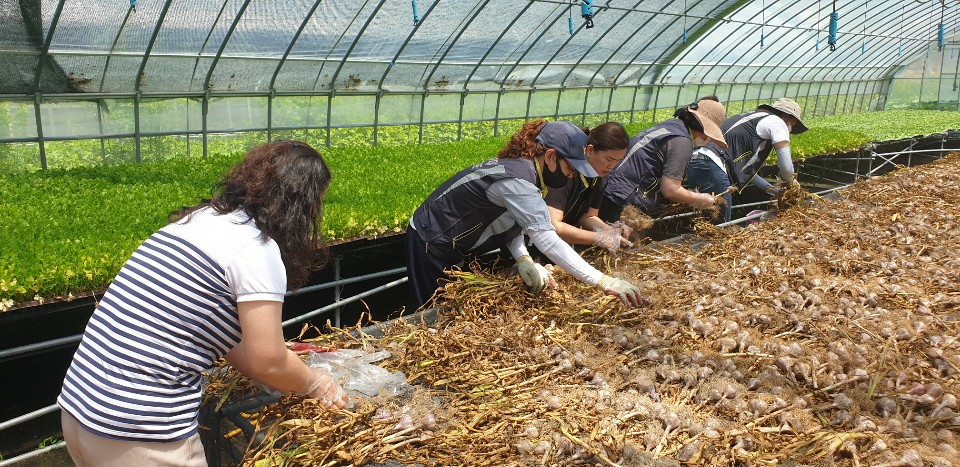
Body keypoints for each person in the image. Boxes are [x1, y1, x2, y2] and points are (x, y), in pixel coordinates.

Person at [58, 141, 348, 466]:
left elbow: (232, 345)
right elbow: (269, 359)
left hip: (80, 408)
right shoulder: (255, 250)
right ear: (303, 204)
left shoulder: (199, 221)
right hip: (140, 429)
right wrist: (317, 383)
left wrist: (285, 370)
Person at [406, 119, 644, 311]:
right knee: (434, 310)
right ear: (551, 156)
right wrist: (603, 281)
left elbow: (514, 222)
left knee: (451, 303)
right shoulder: (518, 181)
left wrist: (522, 258)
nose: (571, 176)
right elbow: (547, 239)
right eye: (570, 168)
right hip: (432, 238)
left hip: (456, 239)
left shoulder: (530, 174)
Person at [598, 98, 729, 224]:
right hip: (622, 198)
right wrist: (700, 198)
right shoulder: (682, 142)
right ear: (705, 132)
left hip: (609, 187)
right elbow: (671, 190)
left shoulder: (673, 125)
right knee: (616, 241)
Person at [685, 97, 808, 223]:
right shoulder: (777, 122)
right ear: (786, 116)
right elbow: (787, 168)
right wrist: (791, 184)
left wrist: (774, 190)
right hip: (713, 166)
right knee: (718, 228)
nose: (793, 125)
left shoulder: (752, 119)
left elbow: (748, 173)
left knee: (706, 222)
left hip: (697, 163)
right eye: (793, 121)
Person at [542, 121, 632, 253]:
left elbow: (588, 216)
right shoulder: (567, 172)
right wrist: (598, 237)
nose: (611, 166)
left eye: (617, 161)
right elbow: (554, 225)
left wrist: (611, 232)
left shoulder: (600, 177)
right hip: (541, 244)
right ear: (590, 150)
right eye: (609, 159)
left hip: (561, 246)